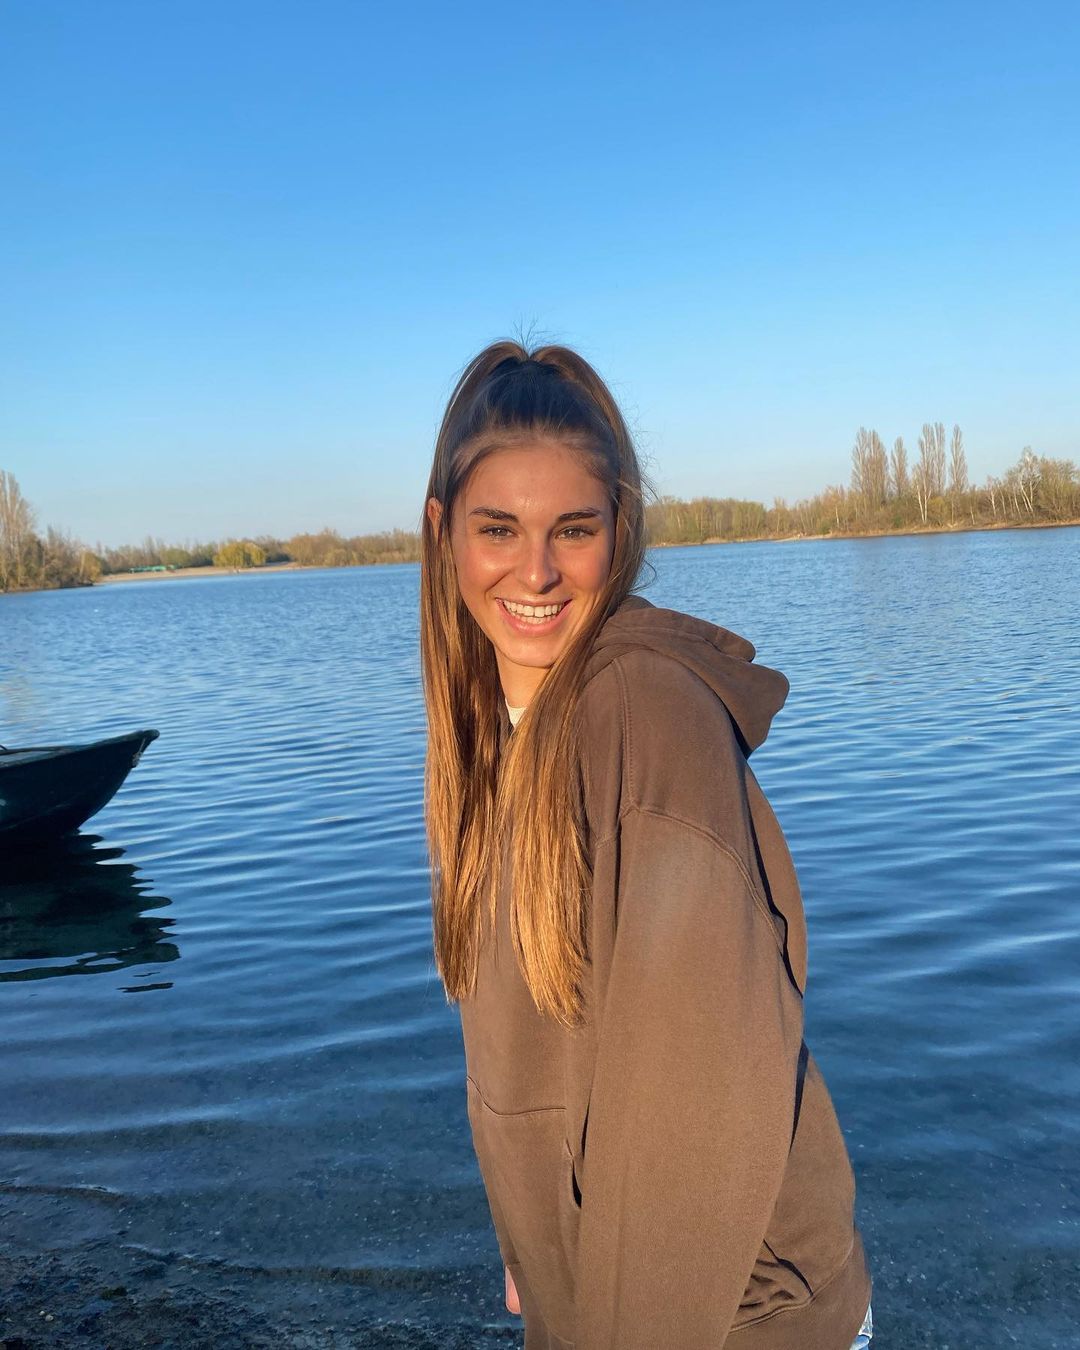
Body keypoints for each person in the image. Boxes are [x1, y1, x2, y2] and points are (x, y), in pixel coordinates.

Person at [420, 340, 874, 1349]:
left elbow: (689, 1104)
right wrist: (533, 1239)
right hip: (603, 1294)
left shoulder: (646, 718)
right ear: (443, 533)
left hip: (735, 1317)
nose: (536, 571)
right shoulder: (499, 728)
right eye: (499, 529)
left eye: (573, 530)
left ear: (617, 534)